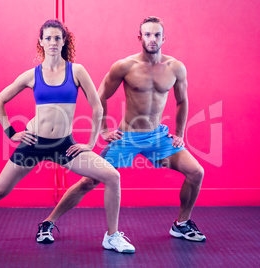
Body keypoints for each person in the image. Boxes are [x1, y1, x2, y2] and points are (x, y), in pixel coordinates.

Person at [0, 19, 135, 254]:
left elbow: (97, 107)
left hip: (63, 146)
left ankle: (111, 236)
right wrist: (12, 133)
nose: (53, 42)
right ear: (41, 42)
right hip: (34, 143)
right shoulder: (32, 75)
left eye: (57, 37)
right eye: (48, 38)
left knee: (112, 177)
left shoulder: (76, 71)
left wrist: (89, 143)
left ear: (64, 41)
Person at [39, 16, 206, 243]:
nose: (152, 39)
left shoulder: (175, 67)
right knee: (89, 181)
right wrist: (105, 130)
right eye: (147, 34)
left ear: (164, 38)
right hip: (127, 137)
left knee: (196, 172)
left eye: (157, 34)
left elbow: (182, 101)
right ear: (140, 37)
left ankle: (182, 223)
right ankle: (48, 222)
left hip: (158, 137)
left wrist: (178, 133)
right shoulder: (125, 66)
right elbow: (100, 96)